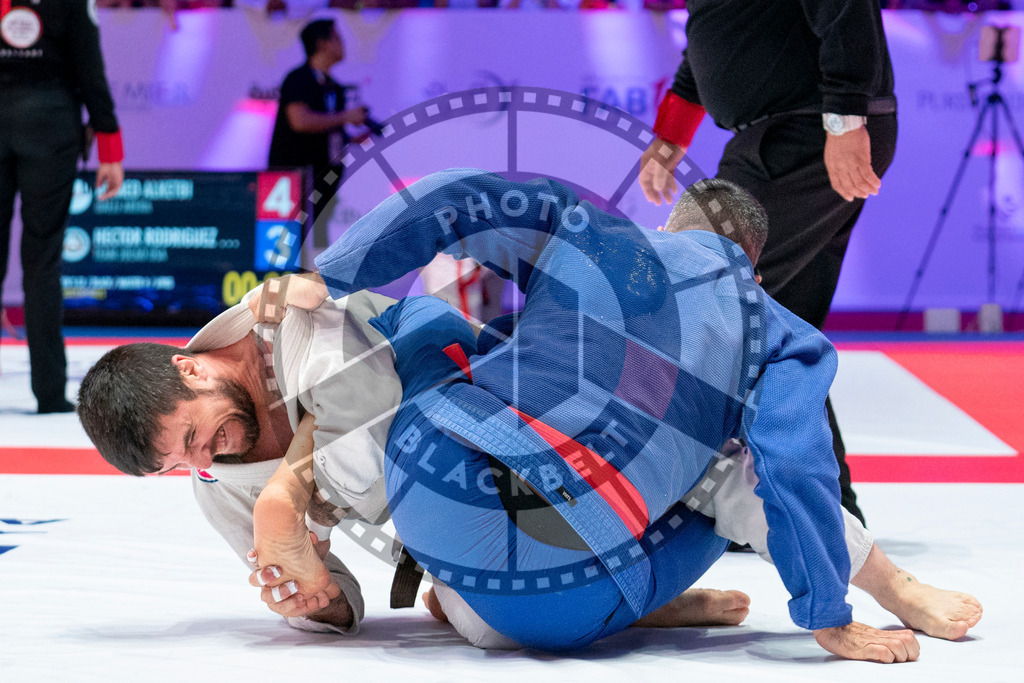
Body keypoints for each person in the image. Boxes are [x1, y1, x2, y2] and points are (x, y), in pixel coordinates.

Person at [245, 169, 979, 662]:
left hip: (425, 484)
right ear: (755, 268)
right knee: (727, 462)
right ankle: (883, 583)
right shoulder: (778, 327)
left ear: (668, 223)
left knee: (441, 329)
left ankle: (320, 487)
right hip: (558, 603)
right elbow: (796, 466)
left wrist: (330, 270)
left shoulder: (594, 233)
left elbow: (451, 194)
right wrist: (826, 610)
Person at [637, 0, 900, 526]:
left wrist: (846, 116)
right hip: (792, 131)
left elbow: (845, 9)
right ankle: (823, 509)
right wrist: (672, 131)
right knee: (774, 328)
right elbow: (720, 28)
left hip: (805, 131)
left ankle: (679, 496)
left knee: (712, 304)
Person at [0, 0, 125, 413]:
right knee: (42, 259)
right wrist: (110, 148)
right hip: (49, 124)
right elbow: (91, 69)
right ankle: (49, 392)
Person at [268, 18, 368, 242]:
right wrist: (346, 117)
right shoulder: (298, 79)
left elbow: (326, 130)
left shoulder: (335, 87)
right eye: (338, 38)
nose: (343, 44)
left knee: (319, 241)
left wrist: (350, 139)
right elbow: (299, 121)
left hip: (324, 178)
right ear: (322, 43)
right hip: (295, 180)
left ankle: (315, 275)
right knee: (290, 241)